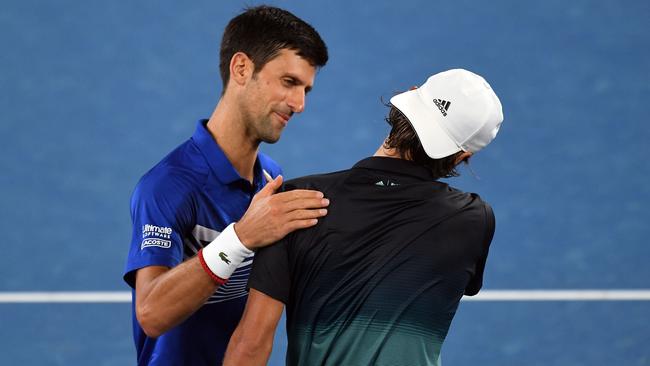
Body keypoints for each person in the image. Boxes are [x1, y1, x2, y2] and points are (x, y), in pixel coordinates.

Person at [223, 68, 504, 366]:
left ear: (408, 97)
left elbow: (250, 345)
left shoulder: (294, 202)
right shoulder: (473, 220)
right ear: (463, 155)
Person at [123, 6, 329, 365]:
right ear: (241, 68)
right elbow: (151, 313)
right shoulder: (168, 185)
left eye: (306, 89)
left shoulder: (269, 178)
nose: (299, 104)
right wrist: (240, 238)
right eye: (289, 82)